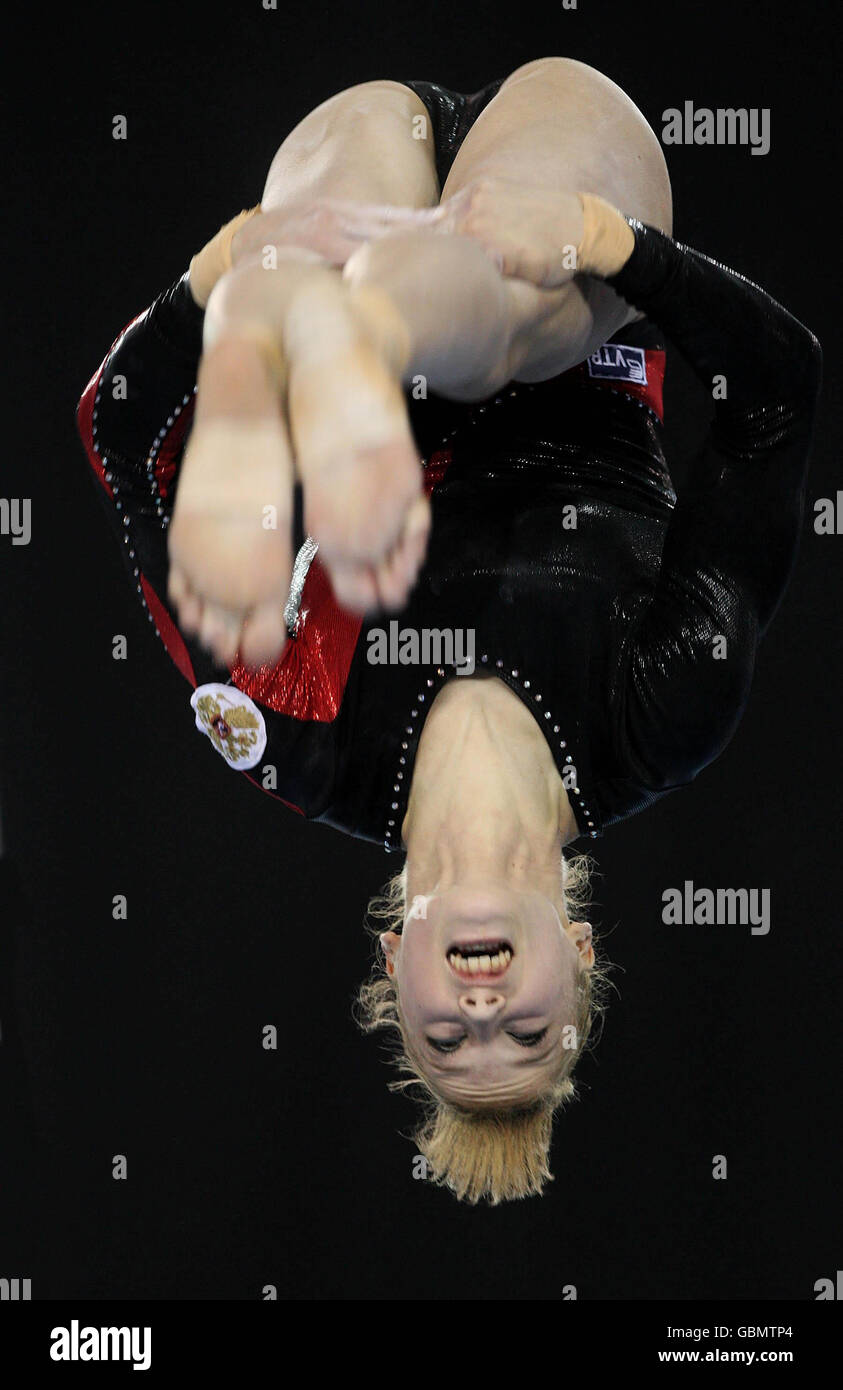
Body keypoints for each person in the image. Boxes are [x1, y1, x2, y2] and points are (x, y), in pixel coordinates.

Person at [75, 59, 822, 1204]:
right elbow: (776, 396)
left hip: (358, 197)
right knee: (522, 317)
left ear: (391, 968)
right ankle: (343, 337)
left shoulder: (296, 739)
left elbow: (119, 428)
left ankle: (307, 322)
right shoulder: (660, 714)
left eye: (444, 1045)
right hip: (558, 242)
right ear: (580, 968)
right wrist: (612, 242)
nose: (482, 1018)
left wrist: (204, 279)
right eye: (528, 1042)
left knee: (316, 266)